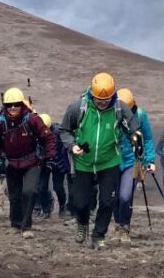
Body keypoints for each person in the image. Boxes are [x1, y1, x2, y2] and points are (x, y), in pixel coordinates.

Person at [60, 72, 138, 250]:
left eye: (106, 98)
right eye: (98, 98)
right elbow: (64, 131)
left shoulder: (120, 109)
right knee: (80, 202)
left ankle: (98, 236)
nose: (102, 102)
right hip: (83, 162)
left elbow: (133, 129)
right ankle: (82, 223)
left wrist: (136, 138)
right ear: (91, 94)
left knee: (107, 201)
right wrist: (72, 146)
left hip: (109, 162)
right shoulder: (78, 107)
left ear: (113, 94)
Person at [0, 87, 56, 238]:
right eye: (9, 105)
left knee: (30, 191)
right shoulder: (0, 123)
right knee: (14, 196)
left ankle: (26, 226)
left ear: (22, 104)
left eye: (16, 104)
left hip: (32, 161)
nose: (13, 108)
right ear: (5, 106)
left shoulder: (32, 119)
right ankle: (15, 223)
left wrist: (50, 158)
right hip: (11, 163)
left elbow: (48, 138)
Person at [111, 88, 155, 244]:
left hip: (133, 162)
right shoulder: (111, 114)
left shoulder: (141, 116)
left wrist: (150, 160)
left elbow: (148, 139)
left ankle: (125, 228)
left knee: (125, 196)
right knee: (115, 197)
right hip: (113, 160)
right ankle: (117, 226)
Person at [35, 114, 72, 220]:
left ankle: (62, 206)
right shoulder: (36, 133)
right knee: (41, 187)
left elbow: (63, 149)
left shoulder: (59, 132)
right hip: (44, 162)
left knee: (58, 187)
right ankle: (46, 209)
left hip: (58, 163)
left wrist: (58, 164)